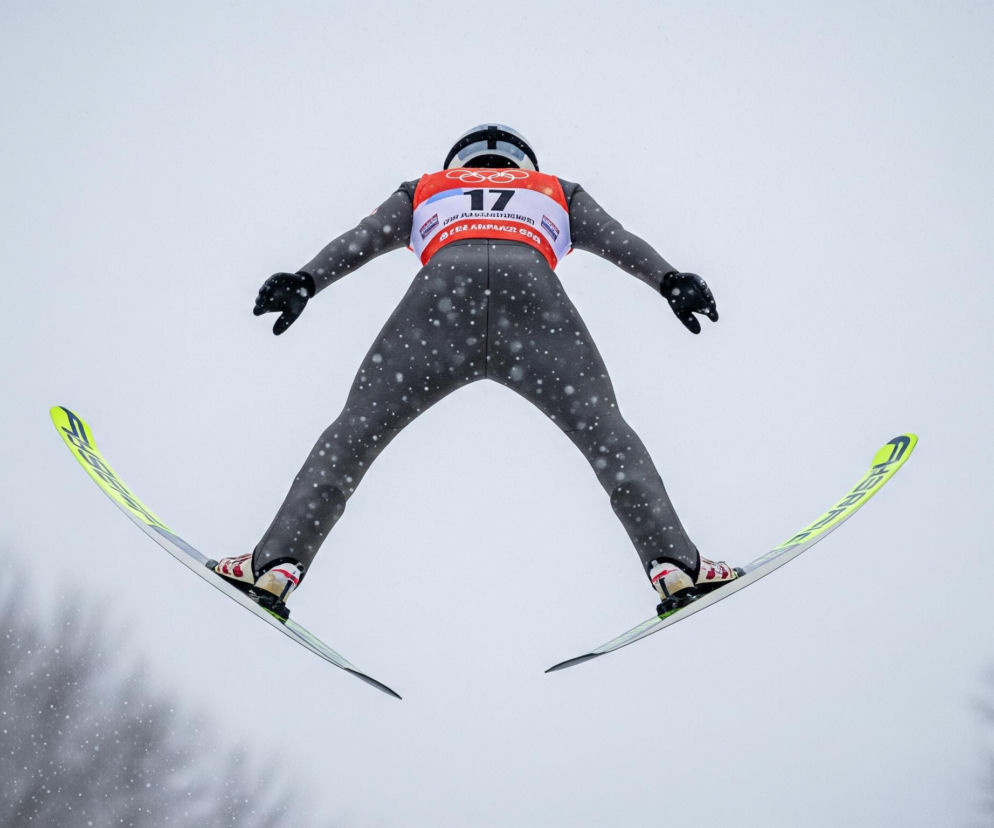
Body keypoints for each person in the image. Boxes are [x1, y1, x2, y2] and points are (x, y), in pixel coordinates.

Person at [213, 124, 739, 621]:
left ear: (459, 161)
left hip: (441, 298)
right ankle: (675, 567)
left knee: (352, 435)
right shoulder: (556, 188)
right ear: (523, 162)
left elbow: (362, 237)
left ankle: (274, 567)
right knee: (607, 434)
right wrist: (670, 280)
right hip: (533, 298)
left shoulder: (425, 187)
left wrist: (305, 280)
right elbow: (618, 239)